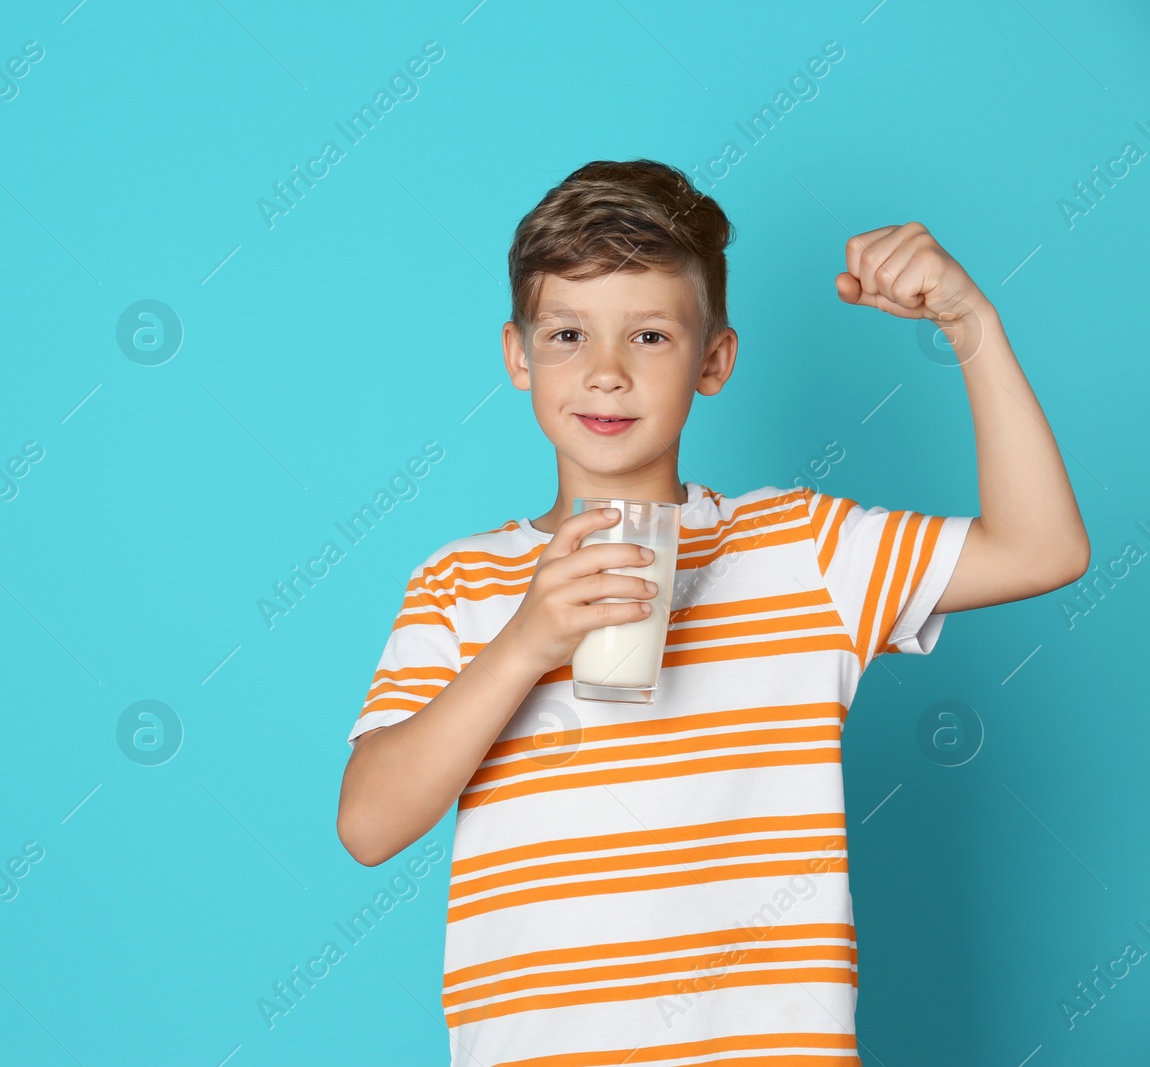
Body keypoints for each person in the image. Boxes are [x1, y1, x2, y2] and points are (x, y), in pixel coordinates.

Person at [335, 159, 1090, 1065]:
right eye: (568, 333)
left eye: (649, 336)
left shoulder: (801, 548)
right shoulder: (460, 584)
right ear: (517, 354)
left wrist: (972, 328)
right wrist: (525, 642)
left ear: (715, 360)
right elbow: (369, 824)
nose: (606, 373)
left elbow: (1045, 548)